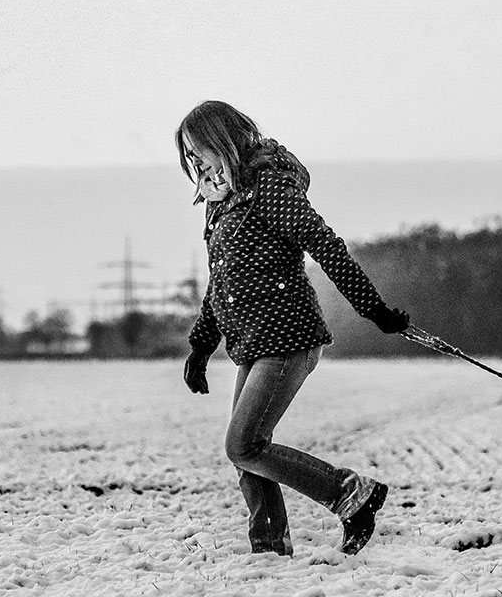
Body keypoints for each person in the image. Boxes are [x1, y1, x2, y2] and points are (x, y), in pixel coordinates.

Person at [175, 100, 411, 557]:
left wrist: (374, 310)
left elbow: (327, 247)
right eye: (187, 154)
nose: (194, 161)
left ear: (222, 138)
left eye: (197, 149)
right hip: (252, 342)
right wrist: (200, 348)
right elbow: (220, 283)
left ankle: (350, 494)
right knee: (249, 455)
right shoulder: (220, 202)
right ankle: (269, 550)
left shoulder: (269, 188)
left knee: (243, 444)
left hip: (288, 338)